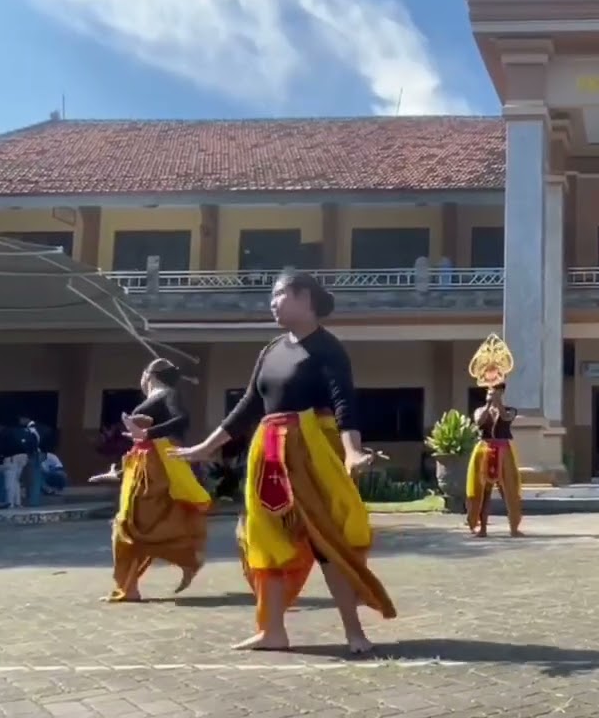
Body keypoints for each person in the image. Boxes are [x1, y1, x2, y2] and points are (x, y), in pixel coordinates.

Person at [171, 270, 396, 652]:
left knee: (325, 538)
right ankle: (272, 630)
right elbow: (247, 407)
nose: (272, 303)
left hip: (311, 451)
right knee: (267, 539)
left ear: (304, 297)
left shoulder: (328, 348)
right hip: (268, 453)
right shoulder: (271, 350)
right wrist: (203, 448)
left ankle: (354, 632)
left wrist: (353, 451)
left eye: (278, 295)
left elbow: (344, 404)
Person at [93, 358, 211, 603]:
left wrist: (147, 433)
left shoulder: (168, 394)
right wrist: (119, 473)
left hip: (158, 469)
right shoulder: (158, 397)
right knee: (132, 526)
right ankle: (132, 586)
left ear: (149, 375)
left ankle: (186, 557)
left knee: (134, 526)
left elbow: (182, 419)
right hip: (144, 466)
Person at [466, 382, 524, 538]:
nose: (491, 393)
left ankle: (514, 527)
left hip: (504, 450)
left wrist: (498, 404)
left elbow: (506, 418)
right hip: (484, 449)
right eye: (490, 391)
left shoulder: (510, 410)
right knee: (484, 491)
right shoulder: (479, 410)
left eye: (496, 391)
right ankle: (481, 527)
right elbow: (479, 422)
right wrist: (488, 405)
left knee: (509, 491)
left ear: (502, 392)